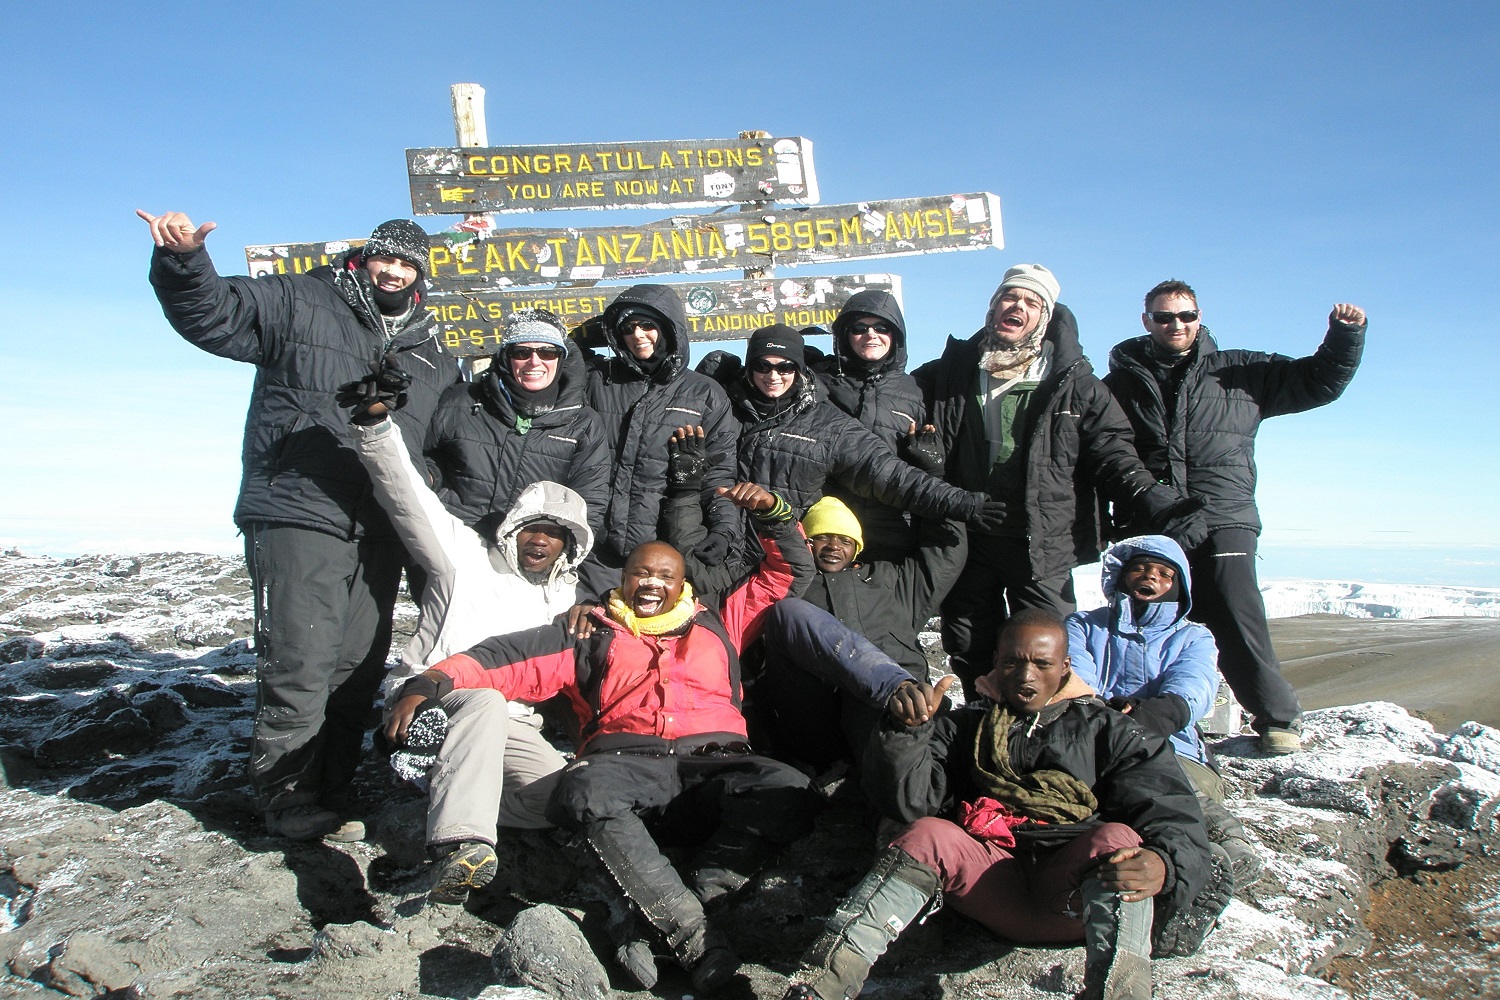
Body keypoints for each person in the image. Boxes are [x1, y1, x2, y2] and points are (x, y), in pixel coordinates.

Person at [388, 482, 819, 993]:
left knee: (787, 788)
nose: (652, 583)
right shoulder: (592, 631)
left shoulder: (721, 620)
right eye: (641, 572)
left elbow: (787, 572)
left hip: (714, 766)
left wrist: (774, 513)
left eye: (665, 575)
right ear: (624, 577)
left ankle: (665, 913)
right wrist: (429, 681)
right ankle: (698, 943)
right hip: (627, 768)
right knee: (586, 790)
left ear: (684, 584)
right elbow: (504, 659)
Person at [139, 209, 454, 840]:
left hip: (382, 525)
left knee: (357, 665)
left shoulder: (432, 356)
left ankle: (333, 787)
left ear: (420, 275)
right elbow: (214, 313)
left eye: (406, 263)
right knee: (301, 657)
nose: (392, 271)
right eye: (383, 257)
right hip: (298, 506)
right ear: (365, 258)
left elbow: (443, 447)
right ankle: (287, 797)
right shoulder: (302, 298)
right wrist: (182, 261)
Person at [781, 609, 1222, 1000]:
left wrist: (1165, 864)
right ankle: (821, 985)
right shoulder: (963, 727)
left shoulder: (1111, 732)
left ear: (1065, 668)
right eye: (1012, 662)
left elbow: (1171, 810)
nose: (1025, 676)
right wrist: (908, 733)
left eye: (1042, 664)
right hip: (991, 887)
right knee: (928, 835)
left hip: (1072, 897)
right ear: (996, 662)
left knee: (1119, 841)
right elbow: (911, 803)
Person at [346, 388, 593, 904]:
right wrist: (376, 430)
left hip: (513, 725)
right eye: (533, 528)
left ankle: (444, 782)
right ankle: (459, 842)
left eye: (555, 533)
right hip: (433, 696)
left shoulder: (567, 596)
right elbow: (407, 495)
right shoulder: (463, 557)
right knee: (483, 697)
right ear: (515, 528)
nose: (541, 540)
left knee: (563, 794)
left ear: (570, 543)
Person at [1104, 280, 1367, 754]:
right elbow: (1108, 450)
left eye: (1186, 315)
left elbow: (1318, 381)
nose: (1176, 325)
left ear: (1200, 316)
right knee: (1147, 618)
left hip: (1225, 512)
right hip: (1154, 519)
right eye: (1164, 317)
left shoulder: (1242, 370)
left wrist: (1345, 337)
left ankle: (1277, 719)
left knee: (1233, 604)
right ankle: (1144, 718)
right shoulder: (1120, 383)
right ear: (1147, 322)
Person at [914, 264, 1196, 701]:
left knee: (1046, 643)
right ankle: (983, 721)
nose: (1017, 307)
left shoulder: (1075, 382)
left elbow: (1113, 451)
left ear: (1045, 316)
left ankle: (1045, 733)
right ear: (992, 307)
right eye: (1009, 297)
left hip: (1042, 539)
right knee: (969, 638)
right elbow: (888, 396)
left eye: (1031, 302)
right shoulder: (952, 372)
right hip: (968, 533)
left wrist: (1154, 497)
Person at [707, 325, 1004, 561]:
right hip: (722, 551)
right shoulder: (721, 407)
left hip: (787, 560)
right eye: (762, 365)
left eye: (785, 367)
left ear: (799, 369)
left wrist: (961, 502)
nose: (773, 375)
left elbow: (891, 476)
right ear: (749, 368)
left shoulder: (827, 424)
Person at [1067, 535, 1261, 884]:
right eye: (1139, 568)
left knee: (1154, 777)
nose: (1149, 577)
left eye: (1163, 573)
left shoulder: (1194, 638)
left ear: (1179, 585)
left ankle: (1223, 845)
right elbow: (1077, 686)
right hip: (1091, 742)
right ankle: (1198, 855)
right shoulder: (1081, 626)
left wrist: (1147, 718)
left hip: (1174, 752)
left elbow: (1191, 691)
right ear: (1120, 577)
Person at [582, 284, 740, 590]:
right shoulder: (599, 381)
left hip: (665, 547)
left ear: (669, 328)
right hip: (597, 548)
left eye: (647, 325)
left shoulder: (704, 393)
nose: (638, 335)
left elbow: (719, 474)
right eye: (628, 328)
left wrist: (724, 530)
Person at [423, 308, 609, 541]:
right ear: (506, 357)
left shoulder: (582, 422)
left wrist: (564, 550)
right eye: (521, 352)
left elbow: (589, 498)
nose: (534, 361)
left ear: (561, 358)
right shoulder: (461, 401)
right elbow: (424, 456)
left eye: (547, 352)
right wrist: (430, 477)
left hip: (532, 550)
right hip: (454, 539)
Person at [810, 291, 932, 561]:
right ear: (844, 335)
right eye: (859, 328)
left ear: (896, 335)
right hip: (831, 522)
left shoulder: (917, 391)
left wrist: (930, 462)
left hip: (894, 522)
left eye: (882, 327)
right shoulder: (819, 380)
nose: (871, 334)